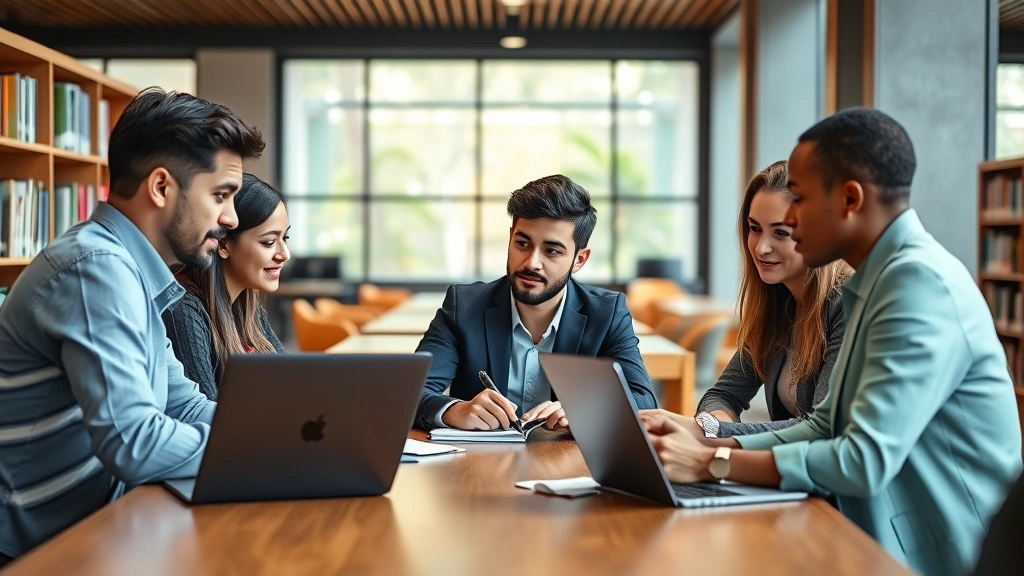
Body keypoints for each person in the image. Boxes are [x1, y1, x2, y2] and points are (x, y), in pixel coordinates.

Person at [641, 108, 1022, 576]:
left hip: (938, 552)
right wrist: (707, 445)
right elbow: (823, 427)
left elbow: (860, 458)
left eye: (798, 201)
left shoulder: (916, 285)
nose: (791, 222)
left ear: (849, 199)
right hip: (875, 530)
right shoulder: (879, 280)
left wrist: (710, 461)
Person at [0, 88, 264, 563]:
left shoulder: (131, 273)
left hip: (97, 529)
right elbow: (133, 441)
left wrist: (279, 436)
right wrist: (260, 452)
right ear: (161, 187)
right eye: (221, 195)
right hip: (36, 554)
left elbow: (182, 407)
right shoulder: (95, 267)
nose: (231, 218)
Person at [414, 174, 657, 431]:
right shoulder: (463, 306)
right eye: (522, 243)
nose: (531, 262)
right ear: (511, 238)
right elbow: (411, 392)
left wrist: (585, 409)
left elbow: (644, 401)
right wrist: (455, 409)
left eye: (552, 251)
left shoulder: (607, 314)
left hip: (568, 465)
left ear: (580, 260)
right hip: (479, 463)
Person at [692, 160, 849, 438]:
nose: (761, 247)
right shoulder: (778, 301)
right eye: (754, 228)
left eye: (781, 233)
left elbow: (822, 429)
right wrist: (711, 426)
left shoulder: (847, 302)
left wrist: (719, 432)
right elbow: (724, 395)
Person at [164, 173, 290, 401]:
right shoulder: (183, 311)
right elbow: (206, 418)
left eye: (285, 238)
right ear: (223, 243)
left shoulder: (247, 308)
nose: (284, 254)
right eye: (269, 242)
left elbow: (293, 383)